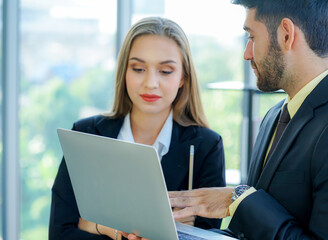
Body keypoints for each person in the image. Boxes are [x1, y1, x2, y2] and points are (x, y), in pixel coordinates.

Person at [166, 0, 328, 240]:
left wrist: (240, 198)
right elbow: (248, 234)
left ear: (286, 34)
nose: (247, 54)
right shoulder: (274, 116)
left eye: (252, 37)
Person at [49, 16, 226, 240]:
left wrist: (93, 225)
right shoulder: (85, 135)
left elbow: (207, 236)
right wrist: (117, 232)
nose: (150, 83)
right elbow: (60, 233)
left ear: (183, 77)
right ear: (125, 72)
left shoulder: (206, 146)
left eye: (165, 71)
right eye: (138, 68)